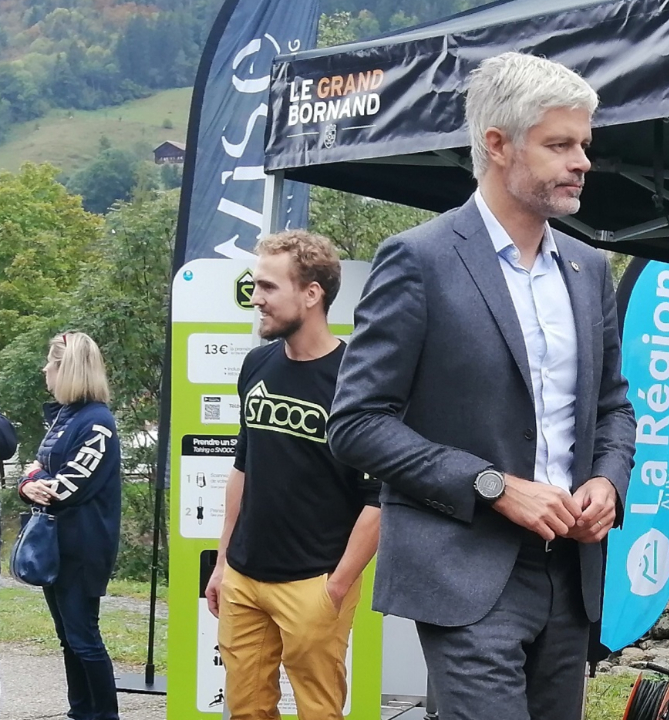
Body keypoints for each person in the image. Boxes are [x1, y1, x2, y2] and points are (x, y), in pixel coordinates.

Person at [328, 52, 637, 719]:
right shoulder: (419, 259)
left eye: (584, 144)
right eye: (560, 144)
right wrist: (491, 486)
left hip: (571, 573)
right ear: (496, 145)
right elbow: (356, 422)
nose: (582, 161)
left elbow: (614, 406)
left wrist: (609, 481)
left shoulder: (588, 267)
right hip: (463, 569)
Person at [203, 230, 381, 720]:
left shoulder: (356, 382)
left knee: (318, 714)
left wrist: (337, 589)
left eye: (268, 287)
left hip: (315, 581)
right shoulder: (257, 363)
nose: (255, 298)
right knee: (246, 711)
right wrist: (223, 562)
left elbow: (379, 500)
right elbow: (244, 465)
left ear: (311, 293)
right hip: (243, 576)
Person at [16, 332, 122, 720]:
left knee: (83, 638)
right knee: (67, 639)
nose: (46, 369)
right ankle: (80, 711)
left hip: (83, 546)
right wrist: (30, 483)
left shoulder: (97, 423)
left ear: (68, 369)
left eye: (51, 362)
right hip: (56, 545)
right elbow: (35, 469)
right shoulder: (64, 416)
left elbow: (68, 485)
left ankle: (104, 714)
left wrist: (37, 483)